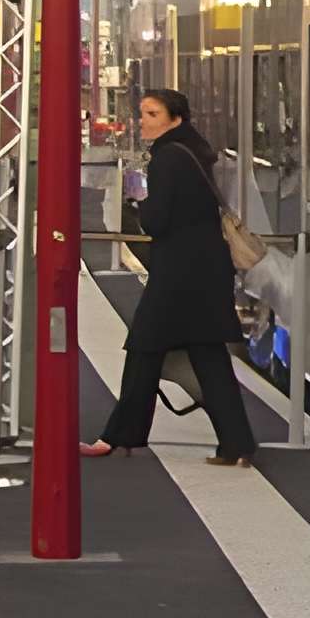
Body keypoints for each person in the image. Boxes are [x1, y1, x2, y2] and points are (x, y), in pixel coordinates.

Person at [84, 87, 258, 465]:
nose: (143, 121)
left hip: (177, 276)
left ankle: (118, 437)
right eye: (143, 113)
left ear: (174, 119)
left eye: (152, 115)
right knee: (209, 358)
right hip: (205, 273)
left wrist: (140, 208)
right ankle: (237, 444)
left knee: (145, 351)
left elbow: (157, 221)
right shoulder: (195, 151)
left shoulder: (166, 159)